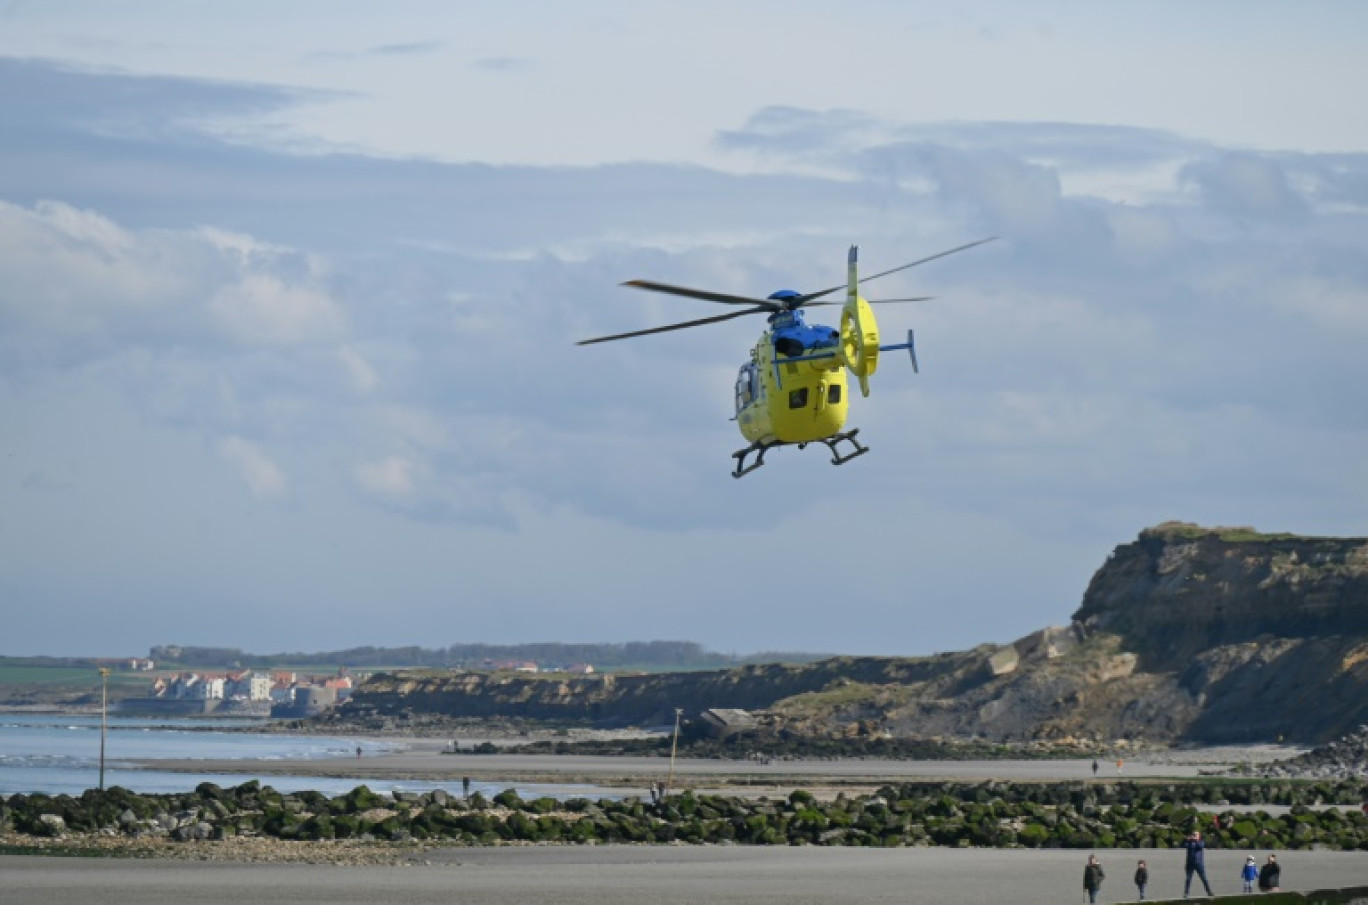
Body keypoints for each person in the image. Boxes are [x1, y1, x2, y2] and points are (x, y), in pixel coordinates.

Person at [1182, 830, 1214, 897]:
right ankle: (1186, 893)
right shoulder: (1189, 842)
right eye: (1193, 834)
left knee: (1204, 878)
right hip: (1190, 863)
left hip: (1199, 863)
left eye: (1196, 835)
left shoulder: (1201, 841)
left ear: (1199, 836)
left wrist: (1196, 840)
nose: (1194, 836)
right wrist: (1187, 840)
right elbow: (1184, 845)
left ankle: (1209, 892)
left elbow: (1200, 846)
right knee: (1188, 879)